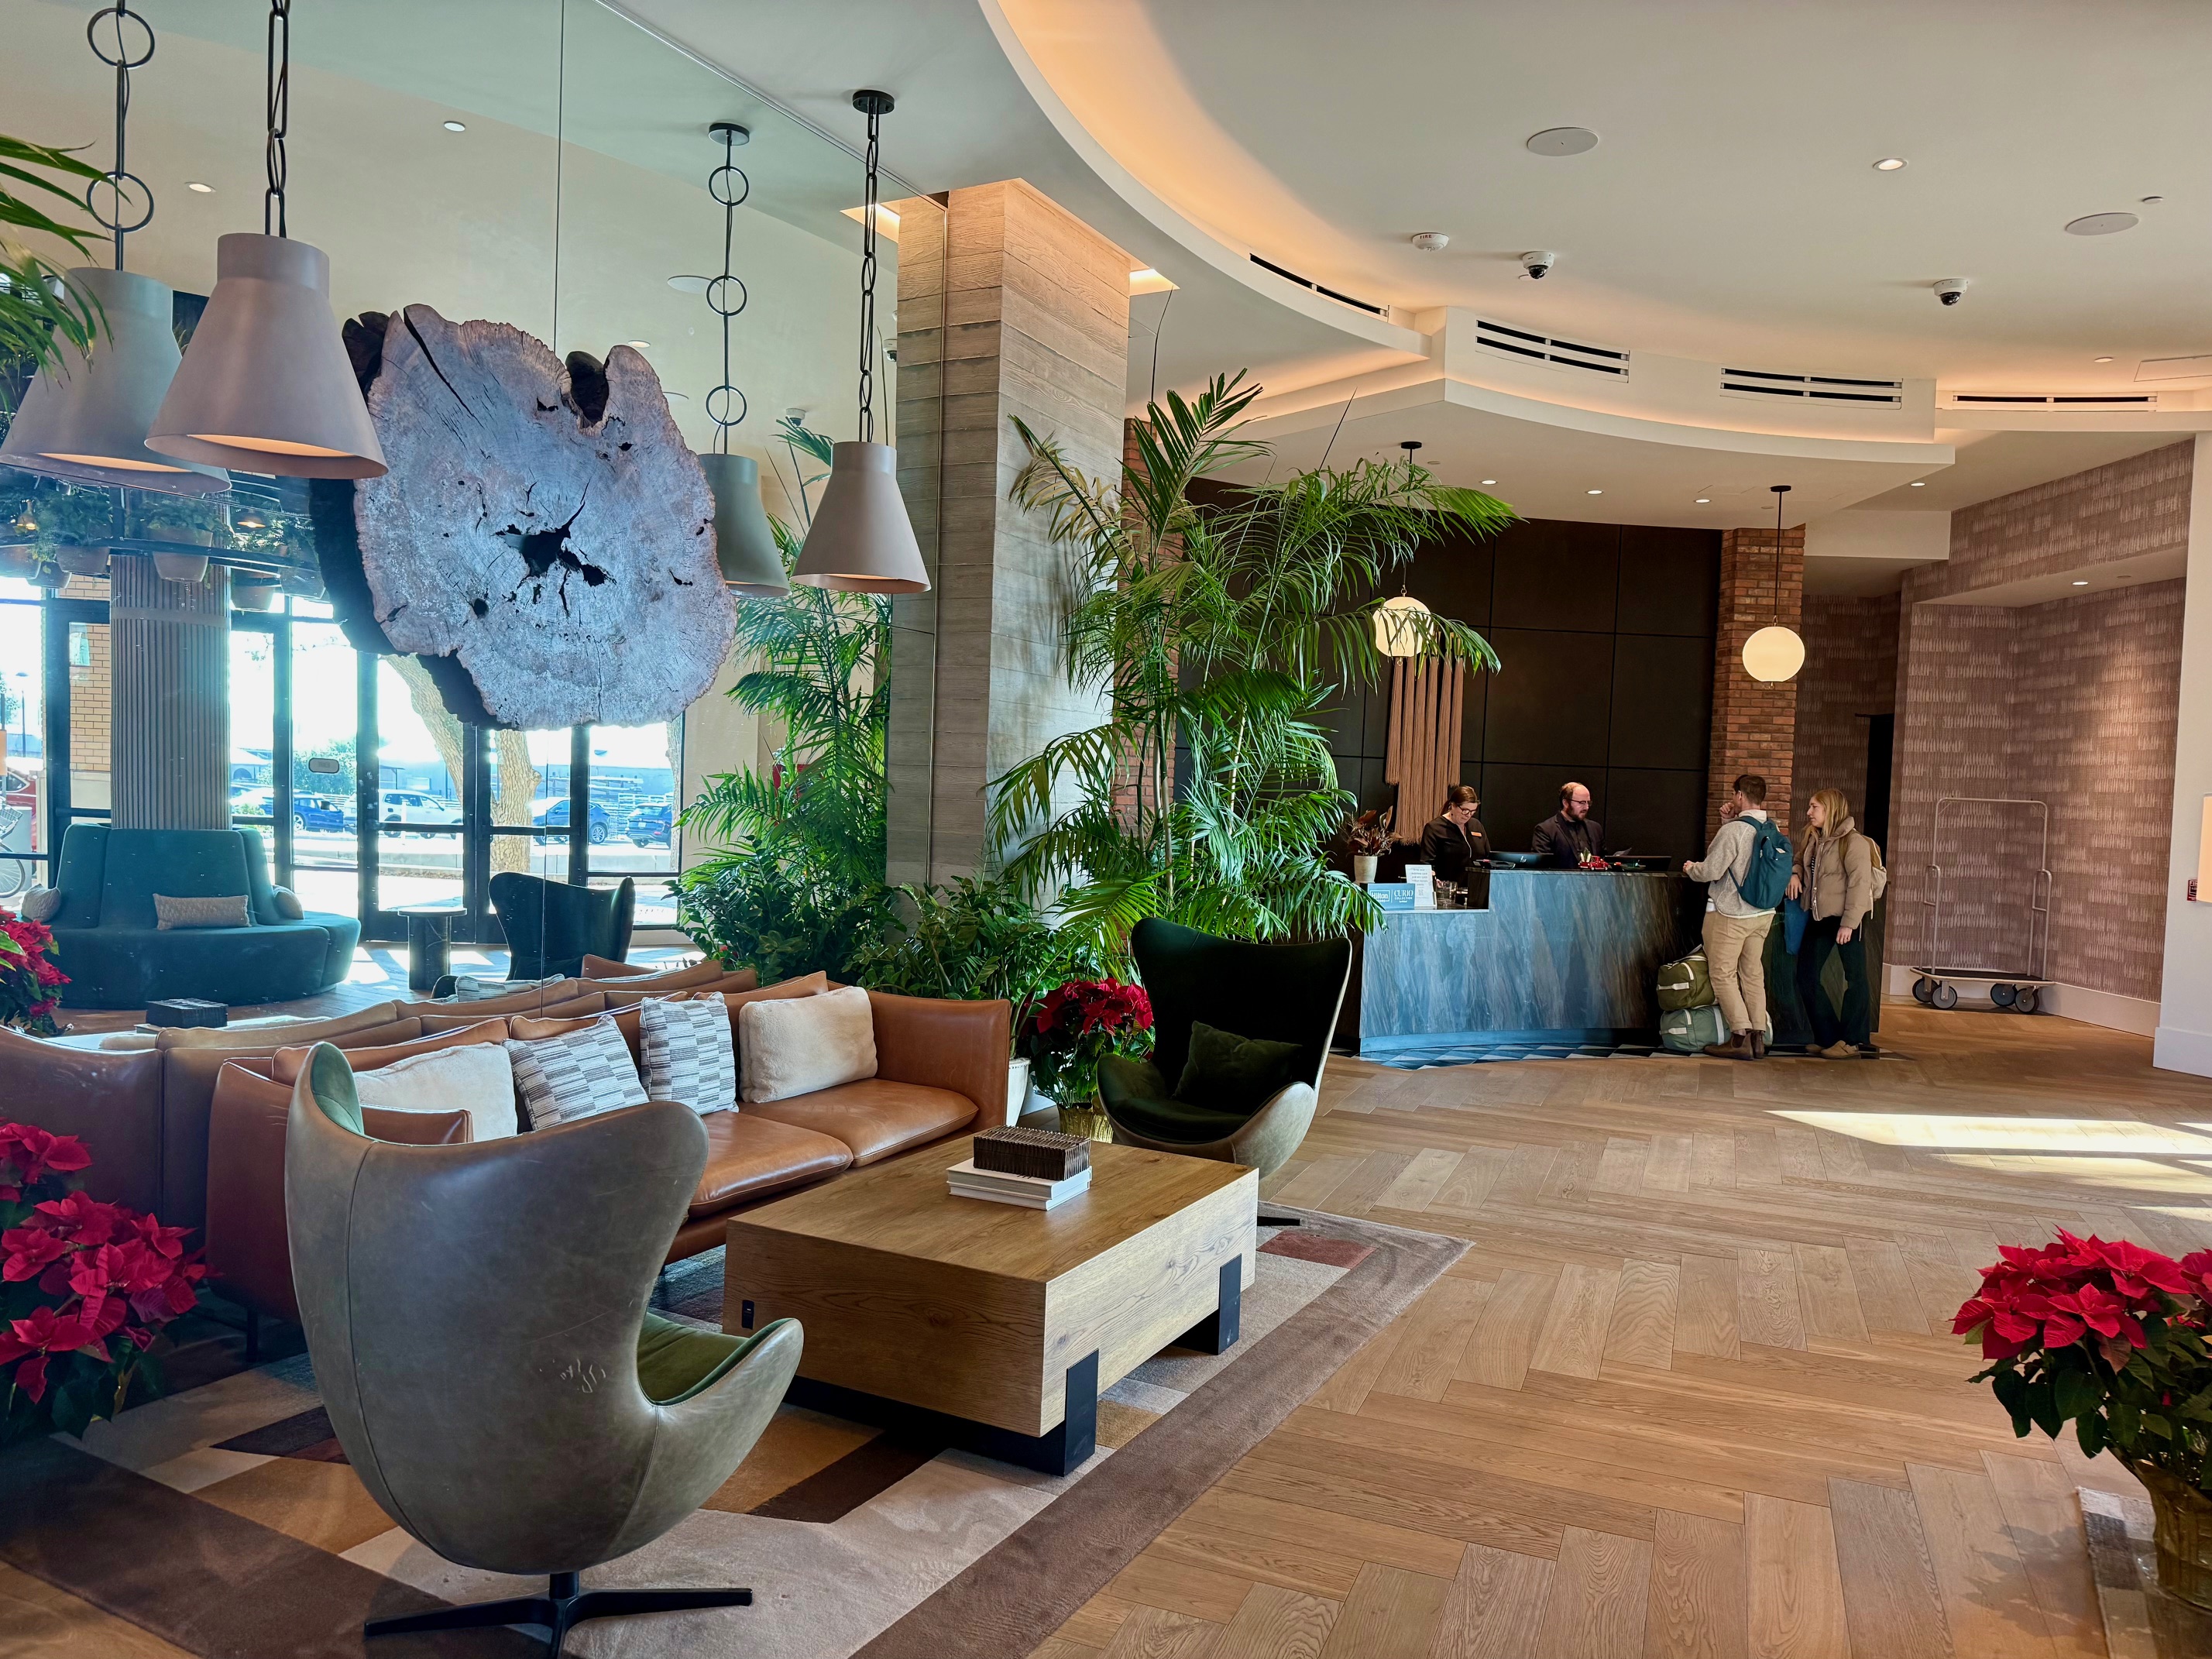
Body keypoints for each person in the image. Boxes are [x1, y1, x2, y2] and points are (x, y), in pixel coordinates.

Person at [1681, 774, 1781, 1060]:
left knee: (1722, 974)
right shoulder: (1771, 828)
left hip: (1730, 914)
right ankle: (1758, 1038)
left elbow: (1712, 871)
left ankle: (1739, 1038)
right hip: (1762, 914)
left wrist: (1691, 868)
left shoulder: (1734, 831)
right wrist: (1727, 823)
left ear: (1739, 795)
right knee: (1753, 974)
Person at [1792, 787, 1877, 1058]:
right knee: (1806, 976)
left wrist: (1849, 924)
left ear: (1830, 810)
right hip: (1819, 917)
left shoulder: (1854, 843)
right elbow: (1798, 861)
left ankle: (1851, 1042)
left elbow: (1860, 885)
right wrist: (1795, 874)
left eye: (1814, 807)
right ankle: (1829, 1037)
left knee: (1856, 979)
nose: (1809, 812)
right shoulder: (1814, 838)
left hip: (1847, 919)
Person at [1418, 784, 1491, 886]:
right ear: (1453, 806)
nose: (1468, 815)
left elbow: (1487, 857)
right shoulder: (1435, 828)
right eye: (1465, 811)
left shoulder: (1476, 825)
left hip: (1476, 890)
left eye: (1472, 812)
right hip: (1448, 892)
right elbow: (1426, 864)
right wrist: (1434, 880)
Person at [1532, 781, 1604, 867]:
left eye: (1588, 802)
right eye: (1581, 803)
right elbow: (1541, 867)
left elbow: (1603, 859)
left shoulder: (1595, 828)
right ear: (1566, 803)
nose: (1586, 807)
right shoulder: (1546, 830)